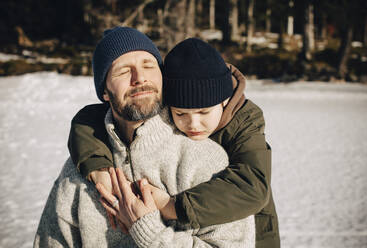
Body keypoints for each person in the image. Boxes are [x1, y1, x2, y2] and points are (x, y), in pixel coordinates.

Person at [34, 28, 256, 247]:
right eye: (123, 71)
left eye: (148, 66)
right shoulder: (81, 171)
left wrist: (149, 231)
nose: (139, 78)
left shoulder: (206, 162)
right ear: (104, 91)